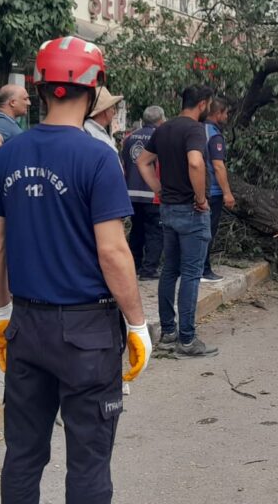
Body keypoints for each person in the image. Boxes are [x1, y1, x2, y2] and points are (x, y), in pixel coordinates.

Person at [0, 36, 151, 504]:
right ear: (94, 89)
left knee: (22, 454)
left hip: (26, 327)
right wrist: (138, 324)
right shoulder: (98, 157)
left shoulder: (7, 155)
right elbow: (113, 253)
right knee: (89, 462)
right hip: (87, 334)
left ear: (38, 87)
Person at [136, 85, 218, 358]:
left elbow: (143, 161)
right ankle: (187, 339)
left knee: (170, 270)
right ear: (202, 104)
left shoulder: (164, 129)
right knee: (191, 273)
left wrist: (158, 189)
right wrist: (200, 198)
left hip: (168, 209)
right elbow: (195, 162)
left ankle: (169, 333)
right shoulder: (195, 129)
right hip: (191, 210)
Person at [122, 105, 166, 279]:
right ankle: (149, 270)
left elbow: (125, 164)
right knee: (155, 233)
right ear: (160, 120)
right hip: (152, 194)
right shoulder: (160, 137)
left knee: (136, 230)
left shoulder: (129, 138)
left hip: (131, 194)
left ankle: (134, 266)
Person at [202, 96, 236, 283]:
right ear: (217, 113)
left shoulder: (198, 129)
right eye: (226, 113)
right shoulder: (214, 135)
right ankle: (204, 270)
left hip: (196, 189)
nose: (227, 117)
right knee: (208, 231)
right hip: (212, 191)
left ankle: (192, 267)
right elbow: (218, 166)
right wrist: (227, 193)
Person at [0, 84, 30, 161]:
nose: (29, 103)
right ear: (12, 102)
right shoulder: (1, 122)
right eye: (25, 99)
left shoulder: (6, 121)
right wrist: (9, 165)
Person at [84, 86, 124, 155]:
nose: (114, 112)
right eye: (113, 107)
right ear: (105, 110)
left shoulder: (93, 130)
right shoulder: (90, 131)